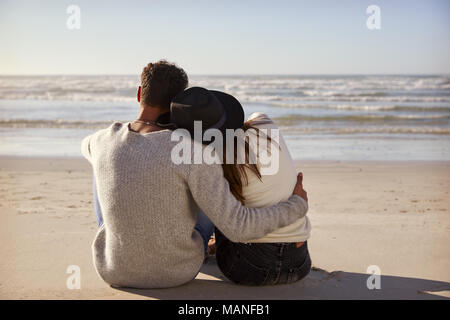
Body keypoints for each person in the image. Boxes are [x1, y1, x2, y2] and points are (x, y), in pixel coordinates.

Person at [82, 61, 309, 289]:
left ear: (140, 93)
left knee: (102, 163)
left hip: (113, 269)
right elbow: (238, 227)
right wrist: (297, 205)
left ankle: (120, 238)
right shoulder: (192, 152)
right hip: (177, 272)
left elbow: (87, 146)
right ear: (178, 104)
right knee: (200, 183)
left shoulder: (99, 140)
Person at [170, 87, 311, 286]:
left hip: (248, 268)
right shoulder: (264, 122)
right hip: (299, 261)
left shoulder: (208, 162)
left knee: (206, 201)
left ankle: (204, 245)